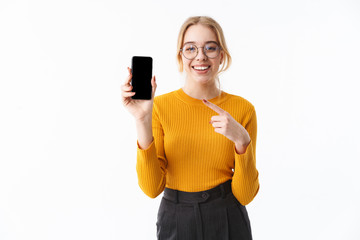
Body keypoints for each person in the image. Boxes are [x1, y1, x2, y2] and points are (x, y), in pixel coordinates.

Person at [121, 16, 259, 240]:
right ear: (180, 56)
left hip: (227, 216)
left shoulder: (243, 109)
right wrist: (141, 119)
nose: (201, 56)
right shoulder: (160, 107)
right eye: (191, 48)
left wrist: (242, 142)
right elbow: (151, 188)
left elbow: (245, 195)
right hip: (176, 217)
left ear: (221, 55)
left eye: (210, 48)